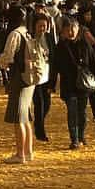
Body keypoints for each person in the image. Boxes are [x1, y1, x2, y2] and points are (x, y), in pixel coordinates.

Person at [0, 4, 36, 164]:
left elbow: (8, 57)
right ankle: (28, 151)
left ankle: (20, 154)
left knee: (18, 117)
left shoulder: (14, 34)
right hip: (30, 78)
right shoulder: (27, 33)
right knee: (26, 116)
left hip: (19, 78)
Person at [55, 15, 95, 149]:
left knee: (82, 112)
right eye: (68, 29)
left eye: (73, 28)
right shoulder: (61, 46)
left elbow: (93, 62)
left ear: (78, 28)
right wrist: (51, 85)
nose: (71, 32)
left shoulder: (84, 44)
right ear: (63, 31)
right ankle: (74, 139)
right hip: (68, 84)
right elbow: (55, 67)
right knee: (72, 111)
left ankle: (81, 136)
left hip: (83, 84)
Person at [30, 11, 56, 142]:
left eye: (44, 26)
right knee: (38, 102)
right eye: (40, 25)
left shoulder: (49, 37)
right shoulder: (30, 38)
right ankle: (40, 132)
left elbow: (54, 56)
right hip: (34, 74)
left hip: (47, 73)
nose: (42, 28)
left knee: (47, 104)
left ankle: (38, 122)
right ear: (34, 26)